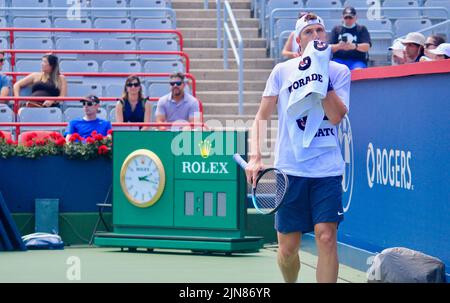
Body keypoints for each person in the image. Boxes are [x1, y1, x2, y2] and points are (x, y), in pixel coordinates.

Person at [246, 12, 350, 283]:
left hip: (326, 170)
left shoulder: (339, 72)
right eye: (308, 32)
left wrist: (320, 76)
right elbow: (261, 117)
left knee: (326, 237)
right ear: (298, 40)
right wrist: (256, 156)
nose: (315, 36)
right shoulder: (282, 71)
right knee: (287, 250)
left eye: (319, 31)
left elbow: (337, 116)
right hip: (290, 171)